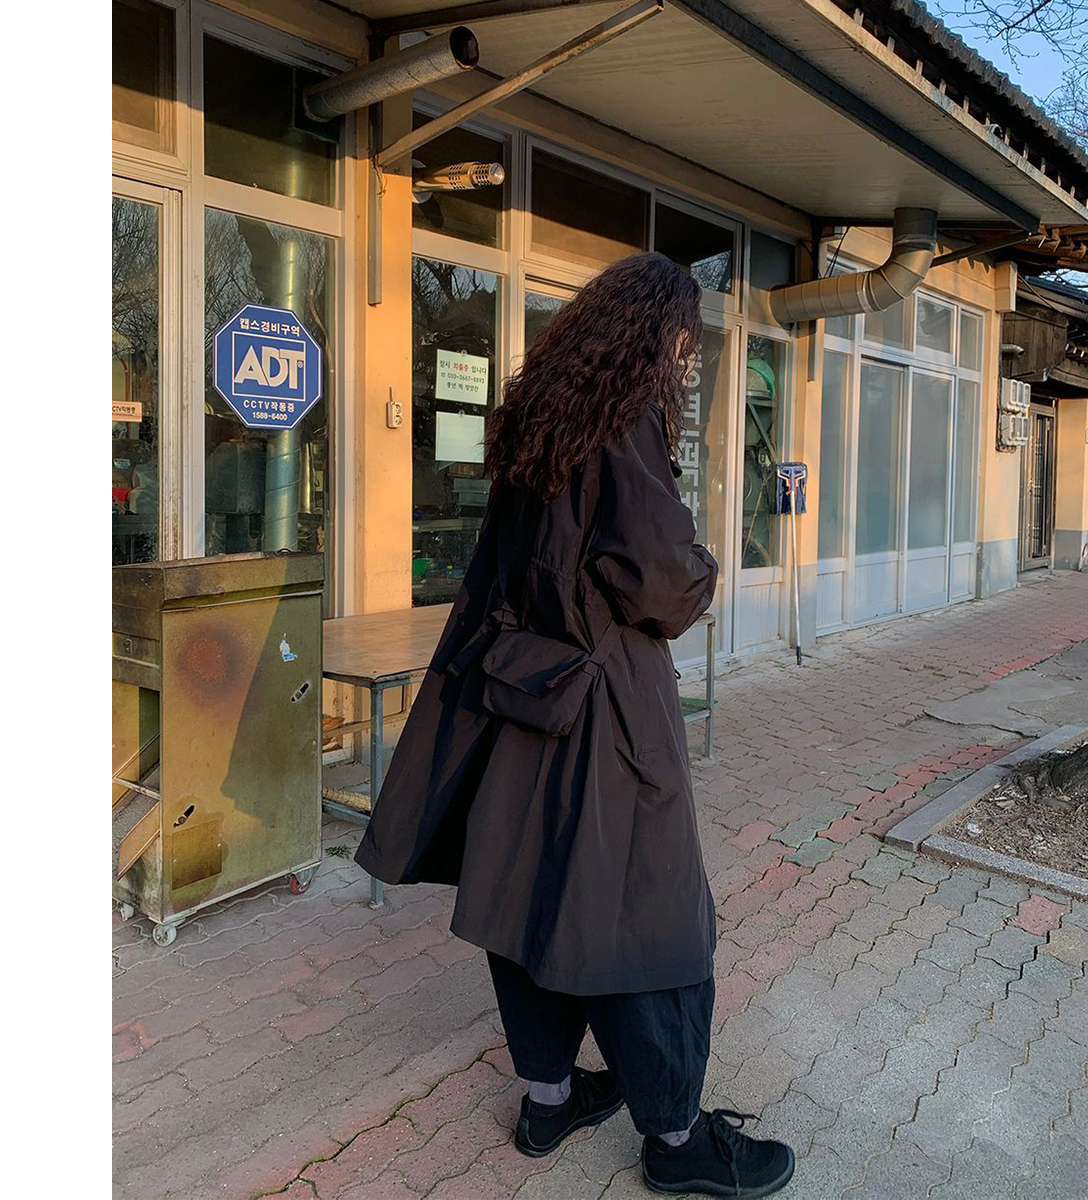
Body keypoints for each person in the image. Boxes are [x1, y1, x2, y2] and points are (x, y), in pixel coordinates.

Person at [356, 251, 796, 1197]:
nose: (684, 360)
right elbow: (661, 582)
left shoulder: (537, 419)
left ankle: (549, 1099)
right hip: (607, 708)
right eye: (683, 343)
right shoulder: (623, 426)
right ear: (654, 337)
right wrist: (707, 568)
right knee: (645, 914)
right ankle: (676, 1141)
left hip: (520, 695)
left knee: (530, 897)